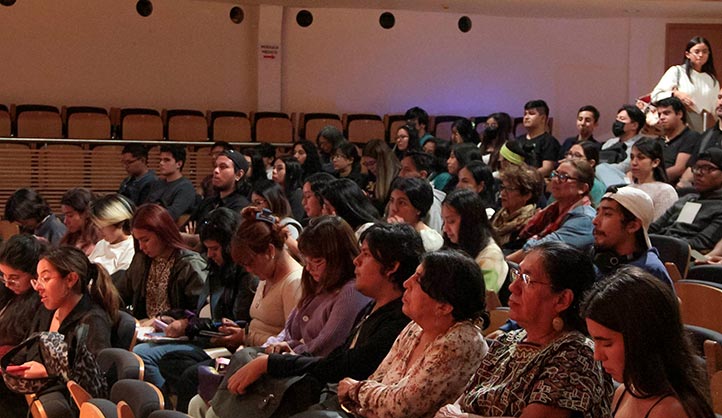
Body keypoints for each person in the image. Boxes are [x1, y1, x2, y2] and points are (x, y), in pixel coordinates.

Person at [202, 223, 423, 416]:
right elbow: (302, 338)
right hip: (321, 384)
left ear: (392, 267)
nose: (357, 261)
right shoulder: (370, 306)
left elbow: (342, 362)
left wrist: (272, 361)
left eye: (365, 254)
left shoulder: (395, 319)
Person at [436, 241, 613, 418]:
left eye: (527, 279)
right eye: (517, 274)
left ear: (562, 300)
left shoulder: (576, 355)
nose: (513, 287)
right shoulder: (507, 341)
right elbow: (462, 402)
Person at [164, 206, 303, 412]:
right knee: (186, 381)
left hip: (265, 365)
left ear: (270, 252)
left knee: (192, 378)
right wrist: (240, 333)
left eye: (249, 262)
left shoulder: (293, 283)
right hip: (247, 352)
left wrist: (244, 337)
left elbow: (291, 342)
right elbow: (257, 325)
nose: (247, 270)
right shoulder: (267, 276)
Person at [133, 208, 258, 399]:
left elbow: (232, 322)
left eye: (215, 249)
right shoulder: (216, 268)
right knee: (140, 349)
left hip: (220, 342)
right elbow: (201, 310)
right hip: (201, 335)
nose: (209, 255)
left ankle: (162, 407)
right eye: (207, 248)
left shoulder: (245, 275)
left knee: (146, 355)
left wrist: (188, 325)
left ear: (230, 246)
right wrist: (175, 317)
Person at [1, 246, 120, 417]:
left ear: (70, 279)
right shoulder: (47, 309)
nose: (38, 287)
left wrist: (47, 371)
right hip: (35, 390)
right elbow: (30, 348)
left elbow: (92, 383)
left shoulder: (92, 320)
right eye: (38, 279)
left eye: (46, 278)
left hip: (66, 403)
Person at [582, 267, 715, 418]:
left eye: (607, 344)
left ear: (642, 339)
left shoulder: (669, 411)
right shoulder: (624, 391)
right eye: (594, 341)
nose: (597, 356)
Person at [121, 203, 207, 321]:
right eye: (138, 240)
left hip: (177, 332)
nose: (141, 246)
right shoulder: (141, 260)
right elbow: (121, 295)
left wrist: (169, 319)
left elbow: (201, 311)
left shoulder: (190, 265)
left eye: (145, 240)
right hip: (144, 328)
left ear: (162, 234)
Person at [508, 159, 596, 262]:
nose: (555, 179)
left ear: (582, 188)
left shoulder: (585, 219)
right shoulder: (552, 210)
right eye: (555, 174)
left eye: (563, 177)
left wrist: (503, 263)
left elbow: (541, 249)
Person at [591, 186, 673, 287]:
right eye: (597, 213)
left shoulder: (648, 274)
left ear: (632, 226)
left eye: (607, 214)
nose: (595, 221)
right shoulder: (600, 262)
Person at [649, 147, 722, 252]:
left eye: (708, 168)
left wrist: (655, 243)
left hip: (688, 256)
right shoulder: (687, 199)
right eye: (696, 168)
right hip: (659, 247)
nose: (698, 173)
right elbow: (654, 227)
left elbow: (700, 243)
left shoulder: (719, 207)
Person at [442, 189, 508, 298]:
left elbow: (479, 303)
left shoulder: (490, 256)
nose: (445, 228)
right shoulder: (455, 244)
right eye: (444, 221)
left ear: (469, 222)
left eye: (451, 221)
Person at [651, 36, 719, 133]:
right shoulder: (677, 72)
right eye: (697, 51)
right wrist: (675, 94)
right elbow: (655, 96)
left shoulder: (712, 80)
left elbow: (715, 108)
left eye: (705, 52)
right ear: (687, 54)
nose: (701, 55)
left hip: (704, 126)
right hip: (680, 125)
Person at [0, 234, 47, 353]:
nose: (7, 284)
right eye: (4, 276)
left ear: (34, 273)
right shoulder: (8, 293)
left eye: (14, 277)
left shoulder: (42, 302)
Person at [190, 149, 251, 226]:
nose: (216, 170)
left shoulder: (241, 206)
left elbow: (221, 237)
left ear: (238, 174)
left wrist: (192, 237)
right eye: (215, 166)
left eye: (223, 167)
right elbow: (181, 232)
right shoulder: (208, 202)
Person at [490, 165, 543, 249]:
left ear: (527, 195)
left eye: (509, 189)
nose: (503, 193)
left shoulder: (530, 226)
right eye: (503, 187)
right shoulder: (498, 215)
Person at [387, 177, 443, 252]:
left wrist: (400, 233)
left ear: (418, 209)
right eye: (392, 200)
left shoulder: (430, 240)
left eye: (402, 203)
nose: (394, 208)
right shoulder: (382, 230)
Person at [628, 137, 679, 220]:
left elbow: (660, 225)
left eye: (641, 158)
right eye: (632, 157)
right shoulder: (627, 189)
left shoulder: (665, 191)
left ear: (655, 162)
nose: (634, 162)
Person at [88, 193, 136, 276]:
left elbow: (120, 282)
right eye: (97, 226)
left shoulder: (131, 247)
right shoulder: (102, 244)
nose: (99, 231)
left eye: (102, 227)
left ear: (119, 223)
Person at [655, 97, 700, 184]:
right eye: (659, 114)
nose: (661, 118)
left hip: (674, 189)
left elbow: (679, 169)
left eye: (666, 113)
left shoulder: (691, 137)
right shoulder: (658, 141)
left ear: (679, 114)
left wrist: (650, 179)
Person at [146, 144, 197, 221]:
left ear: (179, 164)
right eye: (160, 160)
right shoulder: (157, 184)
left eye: (166, 160)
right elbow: (145, 208)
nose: (161, 163)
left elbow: (172, 214)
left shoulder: (186, 187)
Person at [399, 151, 446, 233]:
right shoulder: (399, 193)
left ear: (422, 175)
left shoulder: (432, 203)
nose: (400, 174)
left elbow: (435, 238)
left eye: (407, 170)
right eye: (401, 169)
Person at [598, 105, 646, 178]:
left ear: (634, 125)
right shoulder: (610, 143)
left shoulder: (641, 144)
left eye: (622, 119)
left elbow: (626, 166)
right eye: (617, 118)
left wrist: (600, 168)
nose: (617, 122)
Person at [514, 99, 559, 177]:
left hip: (536, 183)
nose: (526, 117)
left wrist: (527, 177)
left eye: (531, 114)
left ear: (543, 118)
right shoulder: (518, 140)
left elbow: (547, 168)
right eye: (525, 114)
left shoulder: (549, 141)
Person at [361, 139, 400, 213]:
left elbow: (388, 209)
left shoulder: (397, 180)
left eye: (372, 163)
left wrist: (368, 200)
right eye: (366, 164)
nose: (369, 167)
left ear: (383, 161)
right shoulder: (369, 177)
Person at [59, 187, 101, 255]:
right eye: (64, 216)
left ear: (86, 213)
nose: (65, 221)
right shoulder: (71, 238)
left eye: (70, 216)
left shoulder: (101, 240)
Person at [272, 155, 305, 221]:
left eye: (279, 169)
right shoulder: (273, 192)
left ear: (291, 173)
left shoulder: (298, 195)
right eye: (274, 168)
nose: (274, 171)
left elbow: (295, 219)